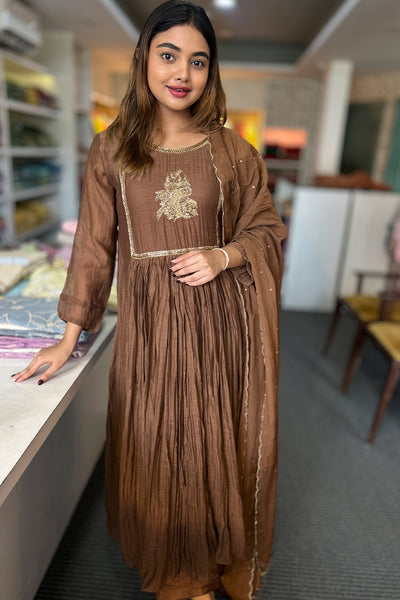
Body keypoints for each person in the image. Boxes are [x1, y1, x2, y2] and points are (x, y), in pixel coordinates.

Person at [11, 1, 287, 599]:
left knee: (209, 447)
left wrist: (223, 256)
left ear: (211, 71)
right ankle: (176, 574)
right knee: (154, 447)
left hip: (218, 329)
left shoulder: (232, 151)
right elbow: (93, 245)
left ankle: (204, 577)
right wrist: (67, 338)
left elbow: (266, 227)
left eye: (198, 60)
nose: (182, 72)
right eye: (169, 55)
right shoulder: (112, 149)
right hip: (148, 335)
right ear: (144, 60)